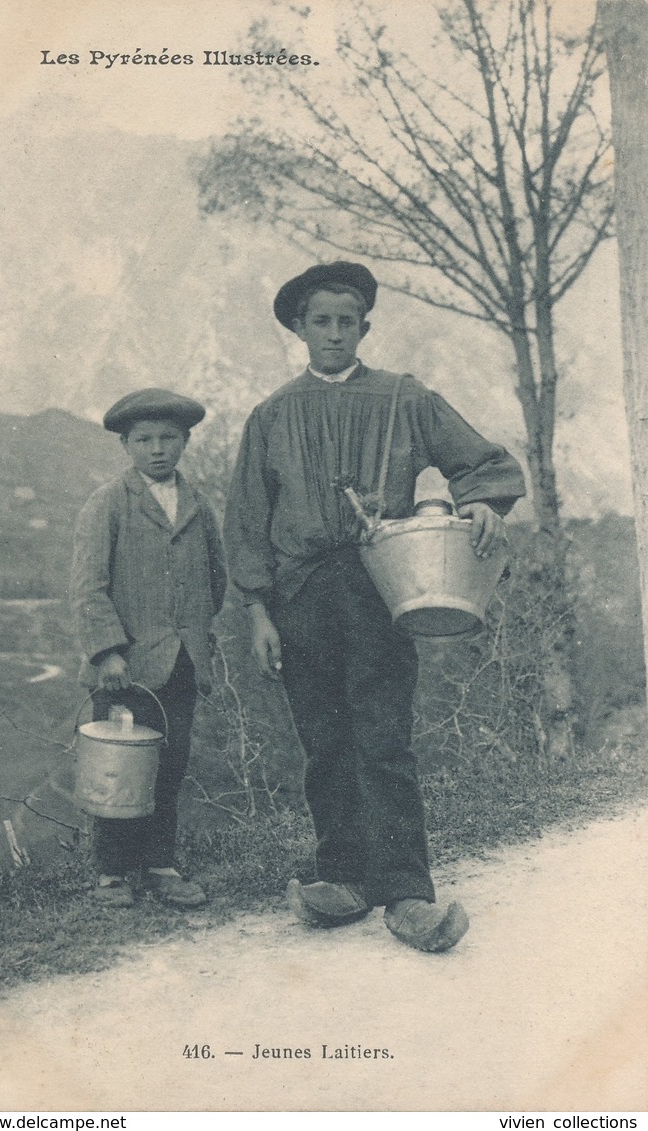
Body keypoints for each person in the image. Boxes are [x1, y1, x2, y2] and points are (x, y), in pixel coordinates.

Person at [223, 261, 526, 952]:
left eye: (346, 322)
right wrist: (258, 612)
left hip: (381, 589)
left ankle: (406, 891)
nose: (333, 334)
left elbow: (484, 462)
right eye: (320, 322)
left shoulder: (402, 398)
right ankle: (342, 877)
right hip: (298, 596)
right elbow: (245, 523)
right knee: (324, 742)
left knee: (383, 738)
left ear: (364, 327)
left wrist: (478, 499)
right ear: (298, 329)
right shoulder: (271, 416)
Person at [70, 388, 227, 907]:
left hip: (182, 662)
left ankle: (160, 864)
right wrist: (107, 652)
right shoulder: (108, 502)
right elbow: (88, 585)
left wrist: (197, 637)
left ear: (184, 441)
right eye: (144, 440)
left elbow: (215, 577)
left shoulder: (198, 504)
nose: (157, 448)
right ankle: (113, 872)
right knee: (119, 767)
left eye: (168, 438)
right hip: (128, 667)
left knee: (170, 763)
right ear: (126, 445)